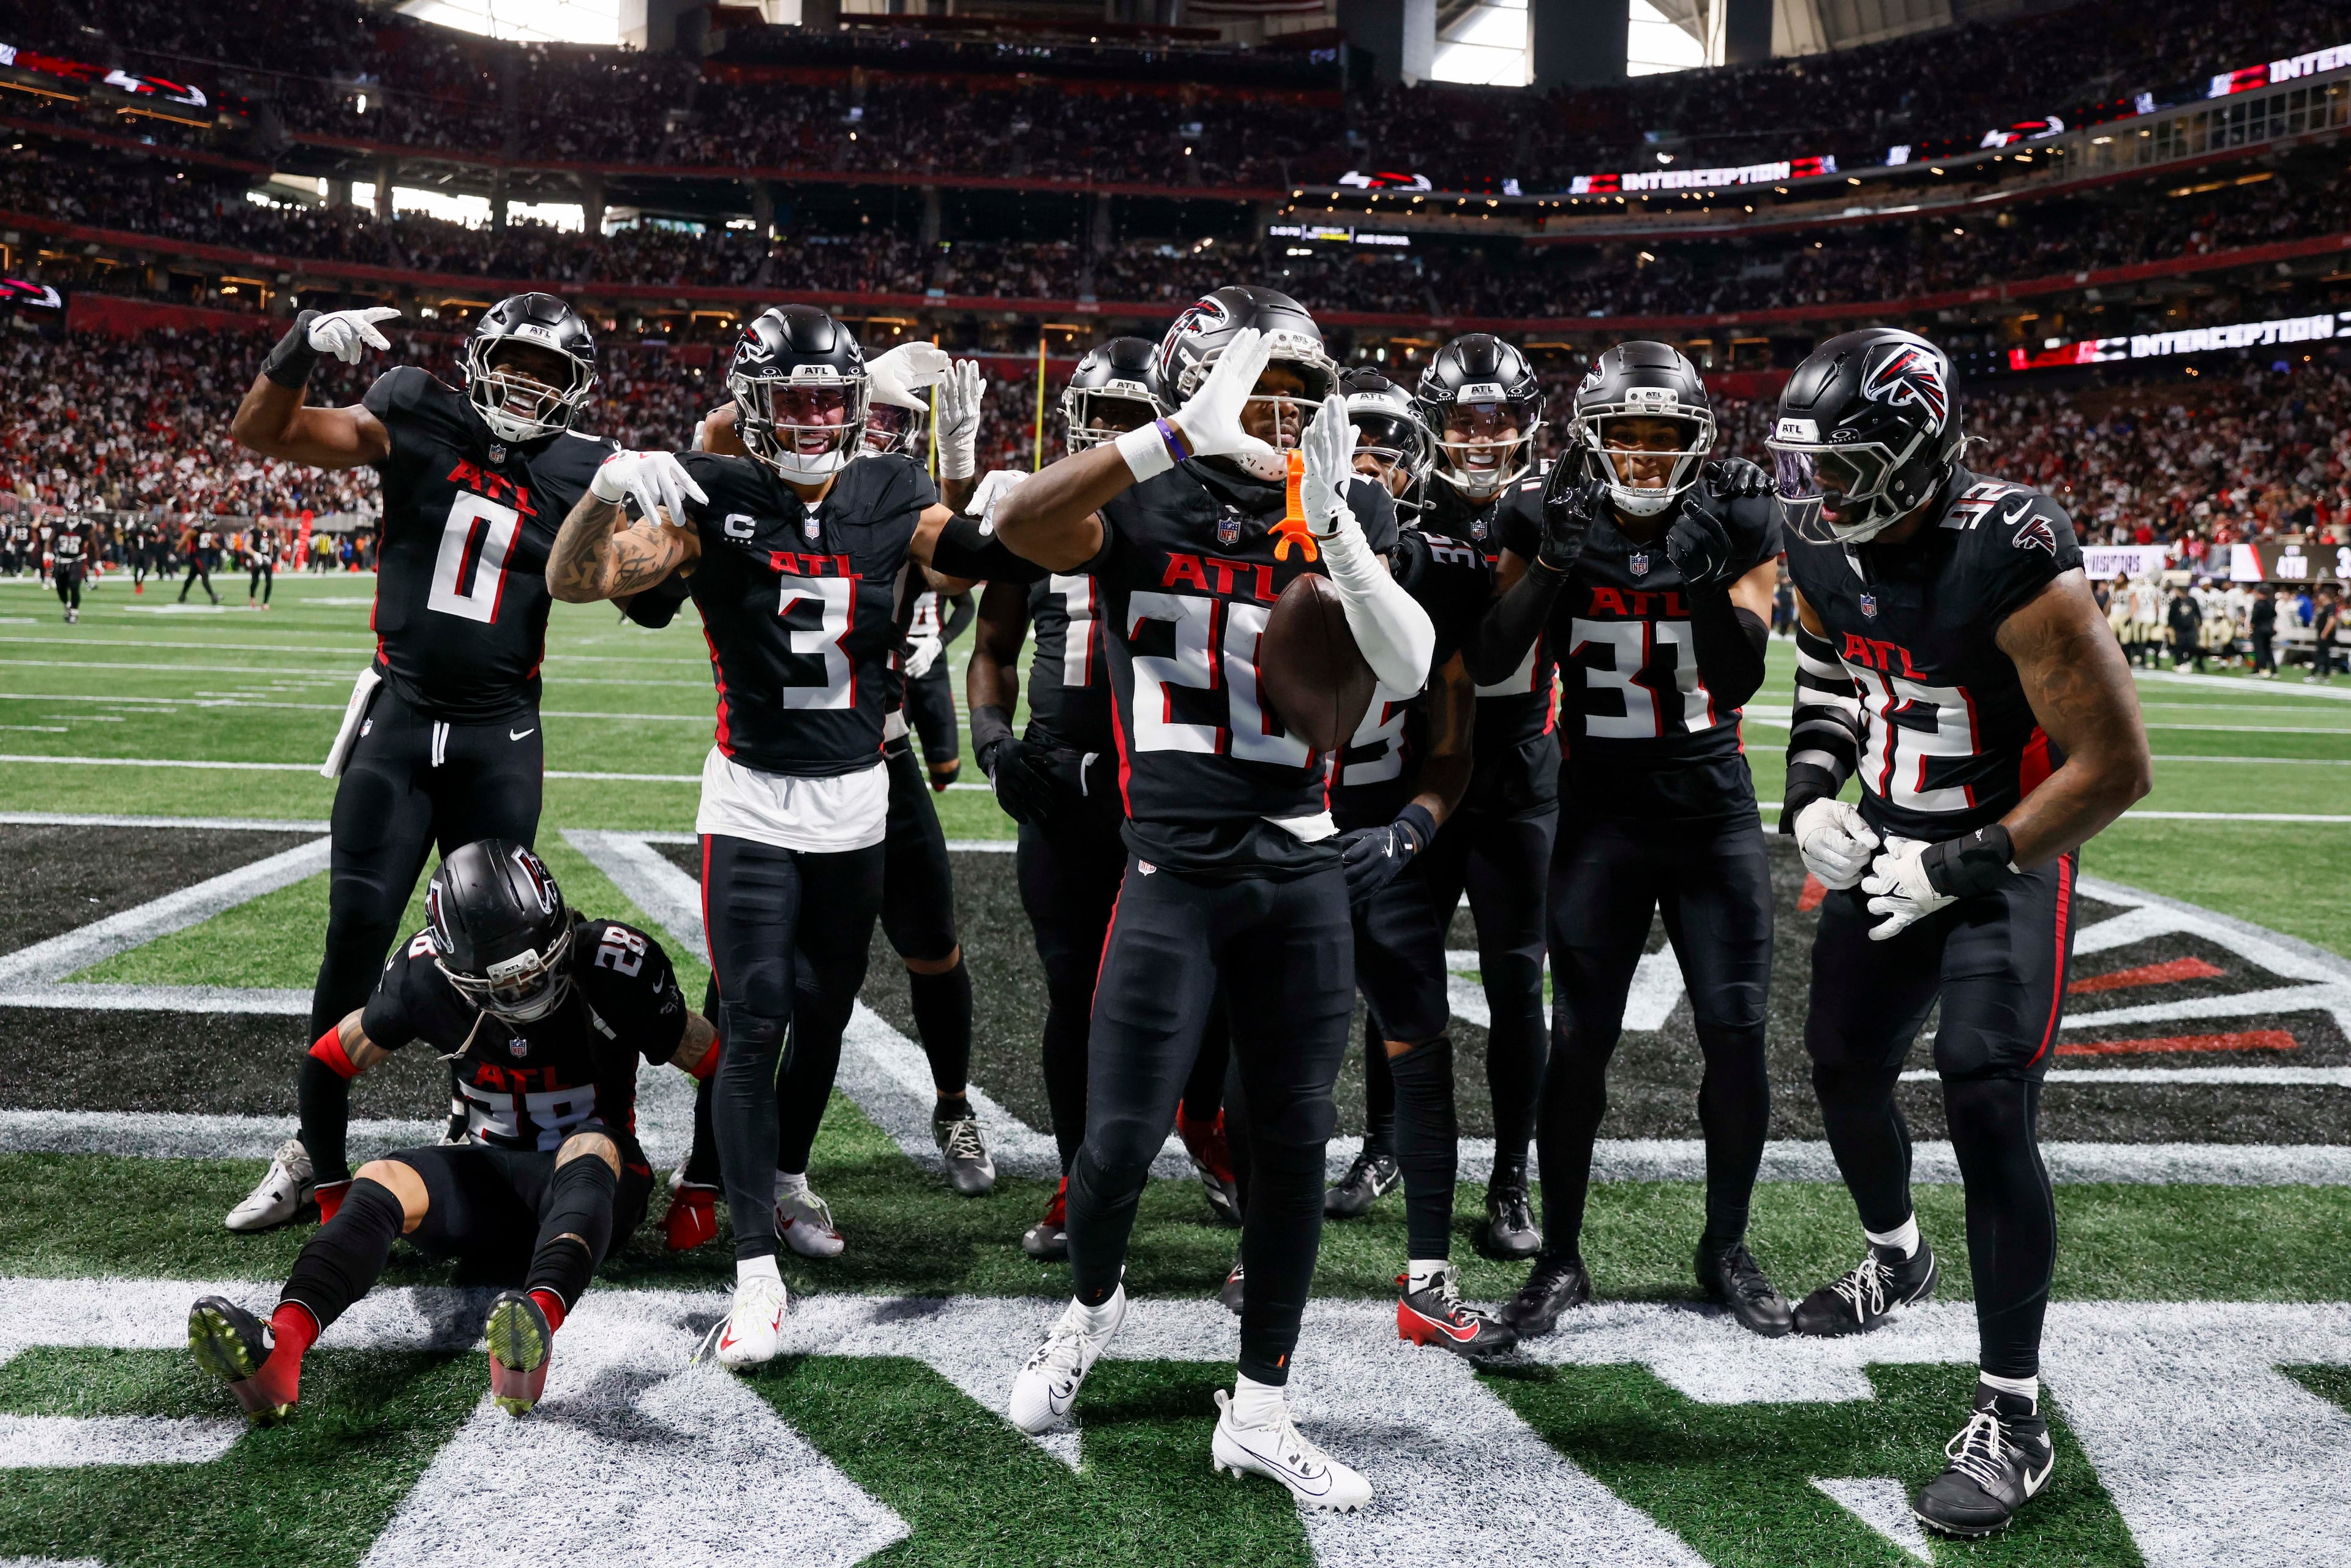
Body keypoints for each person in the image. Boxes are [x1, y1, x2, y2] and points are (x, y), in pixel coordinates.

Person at [986, 287, 1433, 1510]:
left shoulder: (1344, 499)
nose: (1280, 414)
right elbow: (1019, 529)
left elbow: (1410, 665)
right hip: (1173, 867)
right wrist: (1171, 436)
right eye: (1258, 389)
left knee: (1291, 1141)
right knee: (1117, 1142)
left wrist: (1338, 532)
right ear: (1200, 385)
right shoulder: (1137, 492)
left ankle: (1264, 1403)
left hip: (1296, 867)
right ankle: (1085, 1315)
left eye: (1298, 392)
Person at [544, 303, 1032, 1367]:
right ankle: (755, 1272)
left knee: (823, 1009)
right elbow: (574, 578)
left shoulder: (893, 489)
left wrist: (989, 483)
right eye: (794, 401)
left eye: (831, 401)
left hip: (860, 797)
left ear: (858, 409)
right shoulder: (712, 491)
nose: (815, 422)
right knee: (755, 1021)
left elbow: (971, 564)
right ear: (754, 408)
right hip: (753, 799)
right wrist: (603, 492)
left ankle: (776, 1180)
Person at [1769, 328, 2150, 1537]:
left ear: (1914, 451)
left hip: (2002, 853)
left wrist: (1964, 860)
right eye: (1809, 467)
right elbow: (1834, 681)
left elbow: (2117, 763)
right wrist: (1813, 795)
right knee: (1840, 1061)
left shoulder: (2010, 545)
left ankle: (2012, 1410)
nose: (1816, 492)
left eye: (1842, 465)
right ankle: (1898, 1253)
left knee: (1985, 1085)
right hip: (1890, 833)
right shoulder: (1821, 549)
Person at [220, 293, 614, 1234]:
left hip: (498, 738)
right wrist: (298, 348)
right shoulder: (413, 404)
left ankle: (476, 1122)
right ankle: (314, 1148)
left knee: (501, 953)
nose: (527, 383)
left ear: (576, 390)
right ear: (480, 358)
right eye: (516, 361)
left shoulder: (583, 469)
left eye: (550, 371)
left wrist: (646, 501)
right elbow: (263, 431)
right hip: (399, 722)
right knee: (354, 933)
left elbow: (628, 587)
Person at [1470, 341, 1790, 1340]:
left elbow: (1736, 681)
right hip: (1599, 818)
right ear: (1591, 440)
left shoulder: (1740, 515)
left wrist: (1700, 578)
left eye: (1666, 441)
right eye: (1627, 438)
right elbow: (1490, 657)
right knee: (1582, 1046)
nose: (1647, 460)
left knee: (1737, 1036)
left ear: (1697, 443)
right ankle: (1560, 1257)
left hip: (1710, 820)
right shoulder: (1537, 516)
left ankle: (1725, 1243)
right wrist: (1557, 559)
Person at [187, 841, 715, 1424]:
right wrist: (335, 1189)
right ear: (454, 972)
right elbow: (325, 1063)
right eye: (503, 987)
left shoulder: (614, 961)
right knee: (380, 1179)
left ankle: (532, 1332)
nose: (527, 993)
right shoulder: (423, 974)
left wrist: (703, 1185)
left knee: (588, 1146)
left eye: (540, 969)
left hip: (596, 1187)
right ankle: (280, 1345)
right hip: (484, 1176)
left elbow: (719, 1063)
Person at [967, 336, 1247, 1260]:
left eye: (1141, 421)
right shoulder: (1048, 515)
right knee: (1071, 988)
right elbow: (994, 651)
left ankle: (1203, 1125)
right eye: (1108, 422)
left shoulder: (1201, 508)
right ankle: (1076, 1171)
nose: (1122, 438)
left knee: (1203, 989)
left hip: (1167, 785)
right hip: (1064, 784)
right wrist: (993, 737)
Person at [1325, 367, 1505, 1354]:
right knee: (1267, 1049)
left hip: (1379, 831)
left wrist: (1409, 831)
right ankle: (1258, 1250)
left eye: (1388, 456)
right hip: (1279, 835)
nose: (1367, 472)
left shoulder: (1443, 569)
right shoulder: (1266, 547)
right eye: (1352, 453)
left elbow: (1453, 741)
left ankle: (1430, 1277)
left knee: (1419, 1044)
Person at [1392, 332, 1555, 1258]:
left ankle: (1510, 1175)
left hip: (1521, 770)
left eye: (1499, 417)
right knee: (1397, 966)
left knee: (1513, 983)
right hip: (1418, 764)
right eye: (1464, 418)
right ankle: (1385, 1143)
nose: (1483, 435)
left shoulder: (1554, 508)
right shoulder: (1408, 502)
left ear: (1528, 422)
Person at [50, 514, 88, 623]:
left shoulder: (85, 526)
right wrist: (47, 554)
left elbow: (93, 543)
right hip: (61, 560)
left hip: (77, 560)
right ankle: (67, 605)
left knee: (74, 584)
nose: (73, 516)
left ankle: (74, 611)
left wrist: (98, 562)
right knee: (60, 587)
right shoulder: (60, 525)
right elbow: (50, 541)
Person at [177, 523, 219, 605]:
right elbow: (185, 539)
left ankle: (182, 596)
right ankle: (213, 596)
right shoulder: (196, 530)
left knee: (191, 578)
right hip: (197, 557)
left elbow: (214, 545)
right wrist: (178, 548)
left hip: (200, 557)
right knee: (204, 575)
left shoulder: (205, 532)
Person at [247, 525, 278, 609]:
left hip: (267, 558)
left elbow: (271, 543)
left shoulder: (270, 532)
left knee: (269, 581)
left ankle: (265, 602)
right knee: (255, 581)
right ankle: (252, 597)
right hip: (257, 558)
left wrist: (271, 555)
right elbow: (247, 546)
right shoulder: (255, 532)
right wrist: (255, 554)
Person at [2251, 583, 2278, 677]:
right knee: (2269, 650)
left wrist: (2251, 626)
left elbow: (2254, 618)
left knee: (2260, 650)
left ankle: (2259, 669)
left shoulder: (2258, 604)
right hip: (2269, 628)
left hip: (2259, 629)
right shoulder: (2271, 603)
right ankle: (2274, 670)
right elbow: (2274, 614)